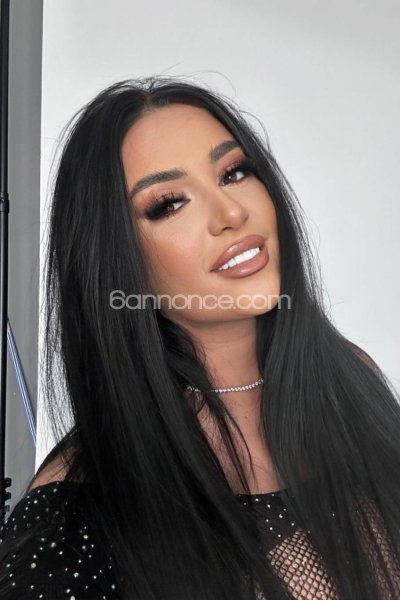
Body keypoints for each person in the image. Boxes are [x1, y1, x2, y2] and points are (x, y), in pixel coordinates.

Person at [1, 76, 400, 600]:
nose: (232, 213)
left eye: (234, 172)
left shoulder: (346, 375)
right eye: (169, 203)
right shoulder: (72, 521)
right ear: (117, 258)